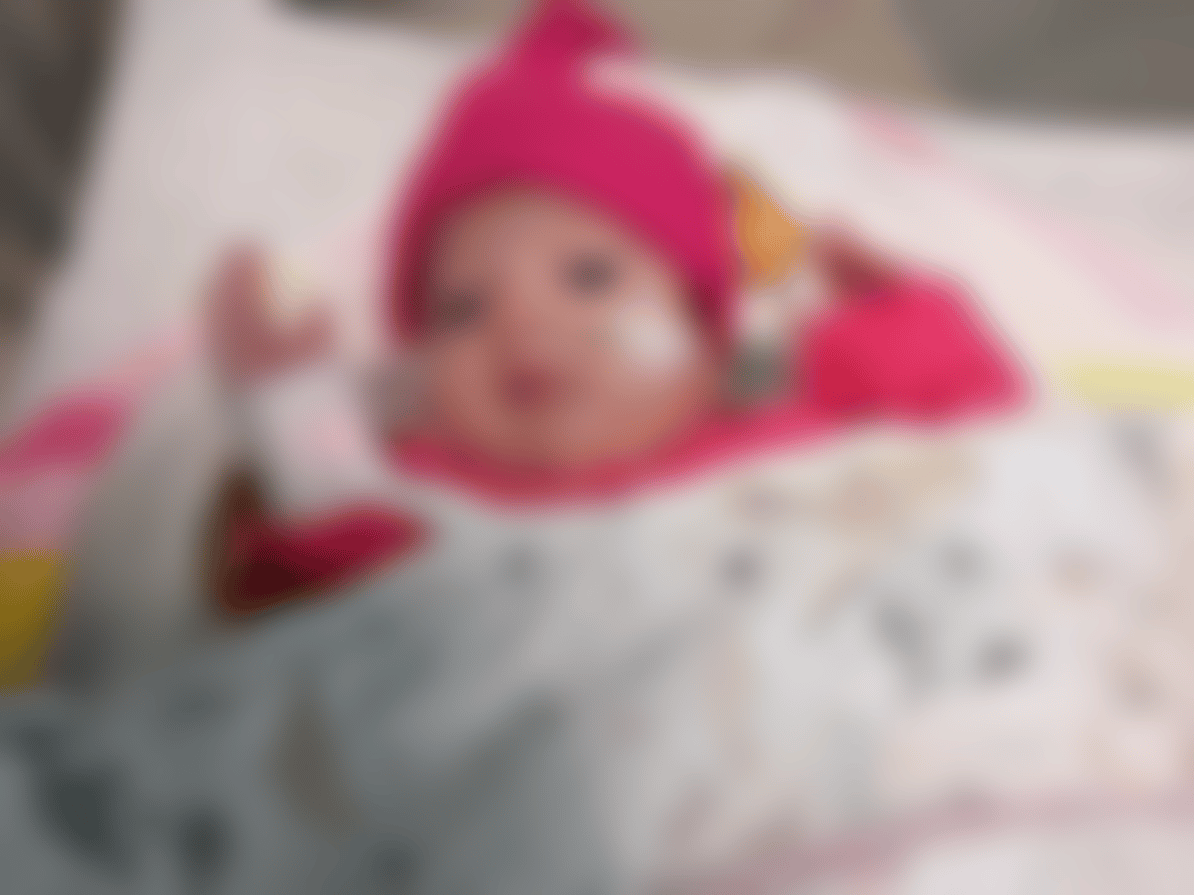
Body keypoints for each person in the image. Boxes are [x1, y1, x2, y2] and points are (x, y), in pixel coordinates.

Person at [206, 0, 1024, 615]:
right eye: (460, 311)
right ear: (419, 375)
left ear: (706, 345)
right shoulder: (432, 501)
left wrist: (892, 316)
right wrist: (297, 411)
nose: (523, 323)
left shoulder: (780, 430)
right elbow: (315, 592)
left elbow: (977, 434)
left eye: (590, 277)